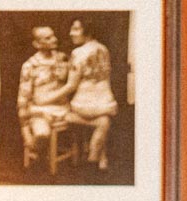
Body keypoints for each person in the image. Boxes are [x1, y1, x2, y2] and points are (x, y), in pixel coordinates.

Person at [53, 17, 117, 171]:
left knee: (68, 114)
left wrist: (50, 97)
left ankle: (92, 163)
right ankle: (97, 159)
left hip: (84, 106)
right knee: (103, 121)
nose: (71, 33)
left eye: (76, 29)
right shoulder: (103, 49)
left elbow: (71, 85)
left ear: (87, 31)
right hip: (107, 103)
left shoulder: (78, 52)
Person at [16, 26, 70, 169]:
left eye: (53, 36)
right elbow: (23, 98)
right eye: (48, 38)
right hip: (40, 111)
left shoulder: (62, 58)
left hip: (64, 109)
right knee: (41, 134)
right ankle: (39, 158)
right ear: (37, 44)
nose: (54, 39)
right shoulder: (30, 65)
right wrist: (25, 131)